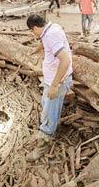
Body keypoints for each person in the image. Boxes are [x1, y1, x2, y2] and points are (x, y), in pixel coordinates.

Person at [26, 15, 73, 161]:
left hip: (56, 82)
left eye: (32, 31)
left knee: (49, 114)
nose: (33, 34)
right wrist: (37, 49)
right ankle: (48, 129)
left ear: (35, 28)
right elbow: (46, 42)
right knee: (47, 106)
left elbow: (65, 59)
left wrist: (54, 85)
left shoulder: (51, 35)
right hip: (52, 80)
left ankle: (43, 144)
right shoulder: (52, 28)